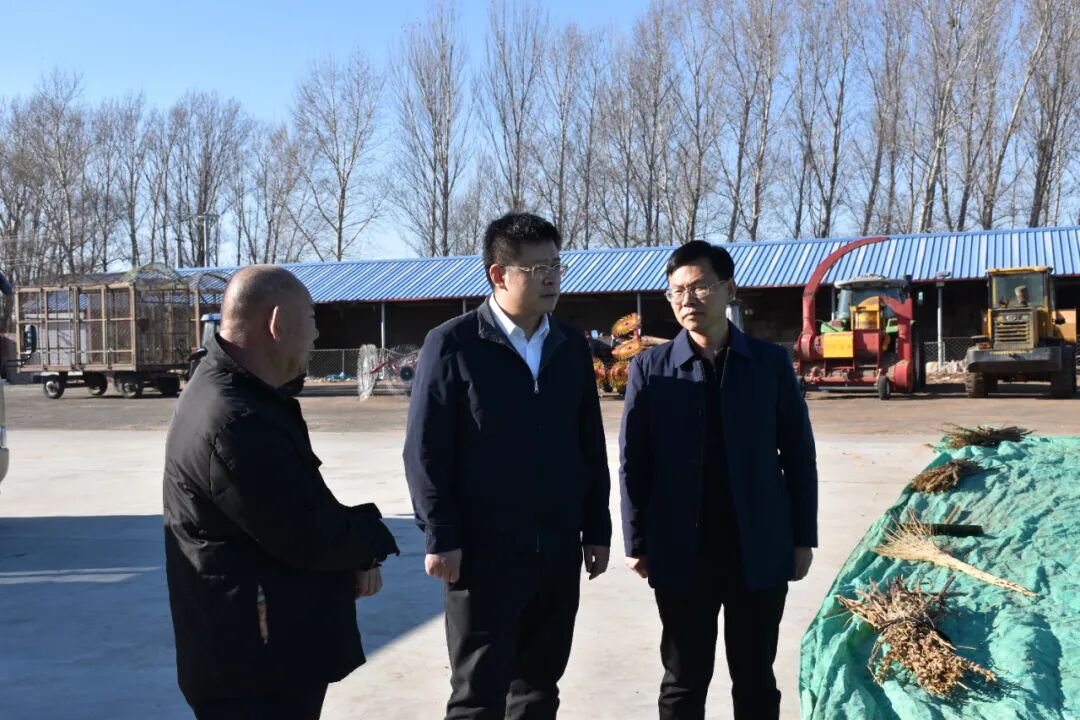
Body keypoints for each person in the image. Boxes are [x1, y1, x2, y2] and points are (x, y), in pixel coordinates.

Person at [163, 265, 399, 720]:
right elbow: (305, 533)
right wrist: (370, 539)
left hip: (253, 655)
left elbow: (294, 504)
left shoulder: (235, 395)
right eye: (310, 318)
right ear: (276, 324)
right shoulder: (236, 419)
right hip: (256, 669)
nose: (316, 334)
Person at [404, 213, 612, 720]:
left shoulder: (569, 346)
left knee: (540, 688)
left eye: (556, 266)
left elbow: (588, 443)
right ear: (498, 274)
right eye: (538, 268)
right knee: (478, 693)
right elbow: (425, 450)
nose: (552, 278)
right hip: (483, 554)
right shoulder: (453, 344)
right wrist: (441, 535)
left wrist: (596, 528)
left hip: (556, 549)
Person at [619, 241, 818, 720]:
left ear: (729, 289)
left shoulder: (768, 363)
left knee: (755, 677)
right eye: (677, 291)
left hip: (759, 547)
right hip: (681, 551)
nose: (687, 300)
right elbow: (634, 462)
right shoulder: (650, 368)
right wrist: (637, 540)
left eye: (699, 287)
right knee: (683, 679)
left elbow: (798, 454)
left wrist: (802, 537)